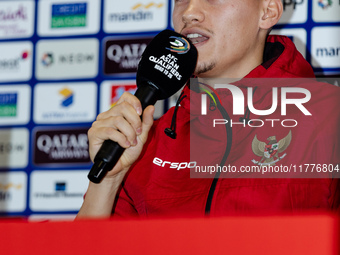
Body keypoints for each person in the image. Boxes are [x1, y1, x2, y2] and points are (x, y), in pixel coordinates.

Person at [76, 0, 340, 218]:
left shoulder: (329, 116)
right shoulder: (143, 142)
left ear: (268, 11)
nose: (189, 13)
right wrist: (108, 182)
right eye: (181, 0)